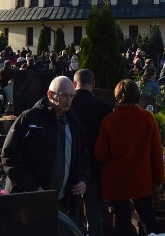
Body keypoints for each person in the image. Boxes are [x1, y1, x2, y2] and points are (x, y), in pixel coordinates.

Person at [1, 76, 89, 213]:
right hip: (28, 200)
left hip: (62, 203)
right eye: (64, 95)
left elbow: (83, 155)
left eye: (72, 96)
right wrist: (34, 188)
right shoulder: (29, 118)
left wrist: (83, 180)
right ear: (50, 95)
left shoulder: (74, 122)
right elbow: (9, 156)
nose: (69, 100)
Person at [94, 79, 164, 236]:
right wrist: (159, 179)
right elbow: (156, 151)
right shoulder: (147, 118)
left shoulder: (109, 120)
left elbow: (100, 154)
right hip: (142, 178)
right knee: (147, 218)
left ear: (117, 97)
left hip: (117, 180)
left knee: (122, 221)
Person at [70, 69, 113, 236]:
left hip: (72, 166)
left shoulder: (68, 106)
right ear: (93, 84)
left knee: (72, 214)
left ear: (74, 84)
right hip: (96, 167)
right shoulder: (103, 108)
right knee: (94, 212)